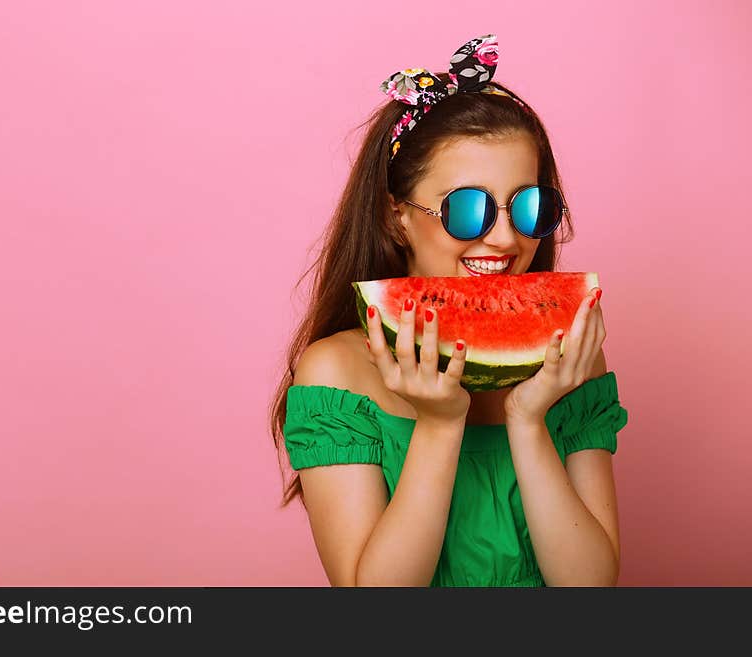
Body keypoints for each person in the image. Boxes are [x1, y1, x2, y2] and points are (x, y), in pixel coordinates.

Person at [269, 34, 630, 587]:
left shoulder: (571, 355)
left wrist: (530, 420)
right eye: (467, 208)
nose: (506, 239)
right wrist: (439, 426)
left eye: (530, 205)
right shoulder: (337, 374)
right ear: (397, 218)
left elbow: (591, 588)